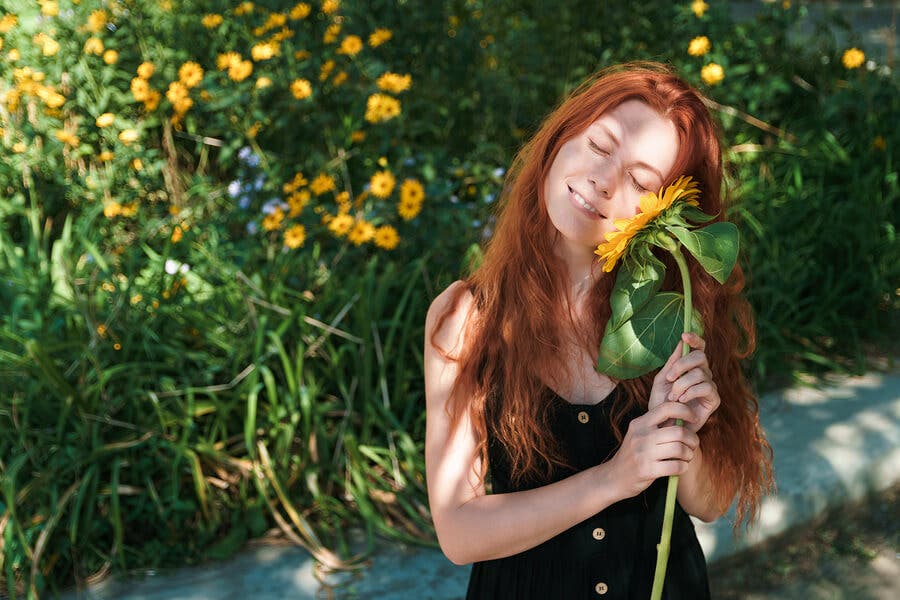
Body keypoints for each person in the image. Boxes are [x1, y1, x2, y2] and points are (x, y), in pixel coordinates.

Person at [423, 62, 774, 599]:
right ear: (563, 137)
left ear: (664, 213)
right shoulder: (467, 320)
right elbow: (459, 532)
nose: (602, 180)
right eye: (598, 144)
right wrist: (614, 478)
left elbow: (712, 501)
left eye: (639, 181)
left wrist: (687, 446)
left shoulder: (669, 312)